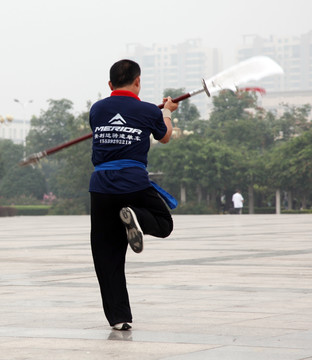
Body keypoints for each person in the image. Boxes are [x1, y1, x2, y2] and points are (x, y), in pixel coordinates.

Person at [89, 59, 178, 331]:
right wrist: (168, 112)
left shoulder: (97, 110)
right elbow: (165, 136)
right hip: (133, 184)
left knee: (107, 254)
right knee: (163, 223)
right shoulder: (148, 110)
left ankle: (119, 318)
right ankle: (136, 216)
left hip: (102, 187)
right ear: (138, 81)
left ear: (109, 84)